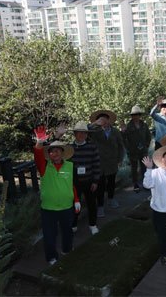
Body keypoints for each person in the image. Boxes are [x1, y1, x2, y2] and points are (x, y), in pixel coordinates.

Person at [32, 126, 80, 265]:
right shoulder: (44, 167)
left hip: (67, 207)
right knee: (49, 235)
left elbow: (73, 184)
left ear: (62, 153)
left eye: (58, 150)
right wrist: (40, 141)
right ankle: (51, 257)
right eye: (52, 151)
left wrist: (76, 200)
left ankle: (67, 250)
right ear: (49, 154)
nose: (55, 153)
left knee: (68, 232)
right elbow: (37, 152)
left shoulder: (70, 166)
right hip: (49, 208)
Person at [88, 109, 125, 213]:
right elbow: (84, 129)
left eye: (105, 119)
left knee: (111, 182)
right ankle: (100, 206)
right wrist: (95, 123)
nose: (104, 121)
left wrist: (120, 159)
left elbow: (121, 146)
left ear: (109, 120)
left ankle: (111, 198)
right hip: (99, 163)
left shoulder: (115, 131)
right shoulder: (94, 131)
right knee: (100, 184)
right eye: (101, 119)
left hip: (112, 162)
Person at [68, 121, 101, 235]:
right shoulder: (69, 149)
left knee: (92, 204)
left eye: (84, 133)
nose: (82, 135)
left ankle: (92, 225)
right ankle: (73, 224)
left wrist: (96, 181)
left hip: (90, 180)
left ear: (87, 134)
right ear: (75, 134)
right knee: (74, 205)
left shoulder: (92, 147)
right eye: (79, 133)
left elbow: (97, 164)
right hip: (75, 182)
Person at [122, 105, 152, 192]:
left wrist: (146, 145)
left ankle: (145, 183)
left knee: (144, 168)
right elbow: (124, 138)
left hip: (143, 151)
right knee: (134, 169)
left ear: (139, 115)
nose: (135, 116)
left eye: (137, 114)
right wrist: (128, 148)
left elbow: (148, 136)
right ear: (132, 116)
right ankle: (135, 184)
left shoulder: (144, 125)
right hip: (133, 151)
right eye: (134, 115)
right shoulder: (128, 126)